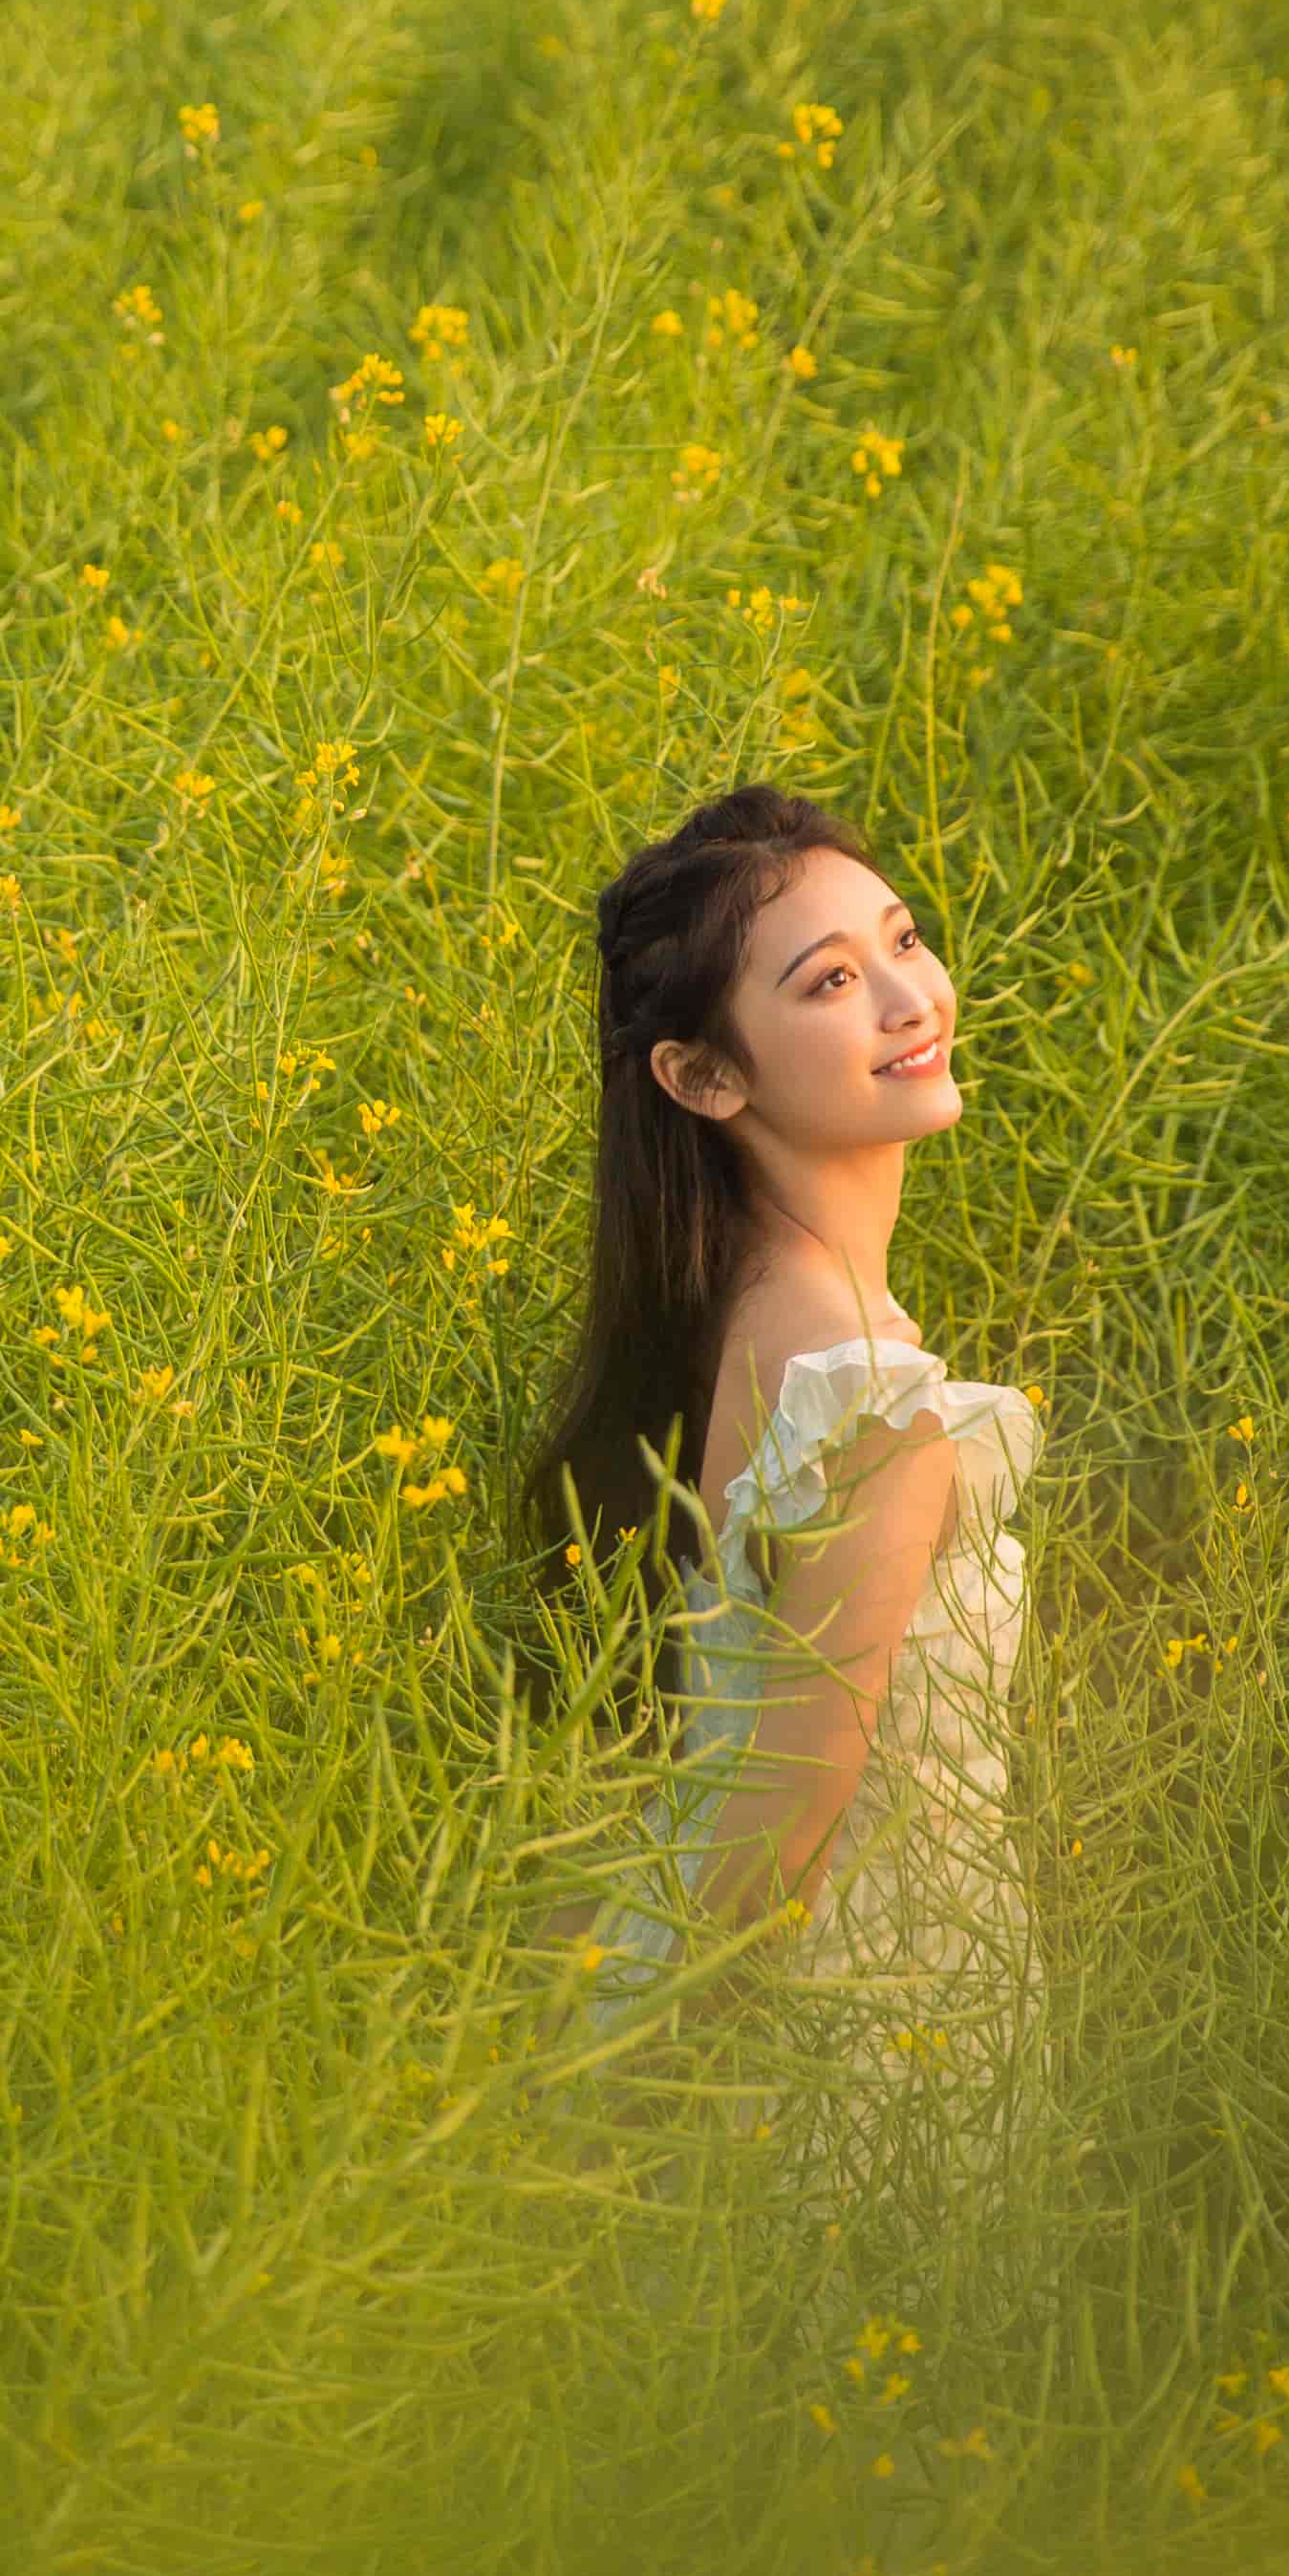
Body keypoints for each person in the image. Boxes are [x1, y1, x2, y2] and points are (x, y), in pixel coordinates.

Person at [516, 786, 1041, 2104]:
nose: (911, 1001)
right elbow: (772, 1850)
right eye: (831, 982)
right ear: (704, 1077)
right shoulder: (874, 1412)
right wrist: (624, 2125)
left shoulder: (728, 1320)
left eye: (904, 940)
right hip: (857, 2064)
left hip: (780, 2024)